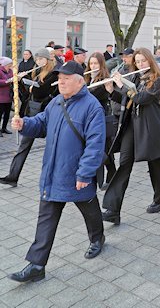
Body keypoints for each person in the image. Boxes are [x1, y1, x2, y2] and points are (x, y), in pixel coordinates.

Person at [8, 61, 106, 283]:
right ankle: (36, 265)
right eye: (59, 78)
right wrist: (24, 123)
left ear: (80, 81)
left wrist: (84, 174)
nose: (61, 81)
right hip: (54, 172)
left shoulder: (92, 107)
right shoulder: (55, 103)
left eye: (66, 78)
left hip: (77, 174)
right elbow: (41, 124)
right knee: (46, 218)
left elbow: (95, 144)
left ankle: (97, 238)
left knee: (90, 210)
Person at [102, 48, 160, 225]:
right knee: (124, 164)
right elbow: (127, 100)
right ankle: (113, 210)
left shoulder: (157, 80)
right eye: (137, 62)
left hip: (149, 127)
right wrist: (111, 91)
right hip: (131, 126)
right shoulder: (134, 77)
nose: (140, 65)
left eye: (143, 61)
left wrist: (121, 85)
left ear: (150, 61)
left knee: (154, 164)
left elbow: (140, 98)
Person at [0, 48, 58, 187]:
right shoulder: (36, 72)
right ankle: (12, 176)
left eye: (40, 59)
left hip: (47, 114)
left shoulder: (53, 74)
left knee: (53, 147)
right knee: (24, 146)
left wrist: (31, 85)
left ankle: (52, 179)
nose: (38, 61)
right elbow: (27, 94)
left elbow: (42, 91)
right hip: (33, 112)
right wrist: (20, 81)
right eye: (37, 59)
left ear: (47, 59)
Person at [84, 52, 116, 188]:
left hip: (100, 117)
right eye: (91, 63)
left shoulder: (104, 80)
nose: (93, 66)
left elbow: (95, 96)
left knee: (104, 148)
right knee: (101, 148)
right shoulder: (87, 78)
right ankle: (111, 173)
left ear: (101, 64)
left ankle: (110, 174)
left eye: (95, 63)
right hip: (89, 118)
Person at [18, 50, 36, 117]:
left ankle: (23, 113)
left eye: (27, 54)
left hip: (28, 83)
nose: (25, 56)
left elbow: (33, 74)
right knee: (22, 99)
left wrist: (25, 75)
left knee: (26, 99)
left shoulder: (33, 63)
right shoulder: (21, 63)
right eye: (24, 54)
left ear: (30, 55)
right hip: (21, 84)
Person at [0, 57, 13, 136]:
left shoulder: (10, 71)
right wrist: (7, 81)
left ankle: (4, 128)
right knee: (0, 114)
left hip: (9, 96)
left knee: (7, 114)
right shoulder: (0, 71)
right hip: (1, 97)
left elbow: (13, 77)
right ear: (5, 65)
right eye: (9, 64)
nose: (11, 66)